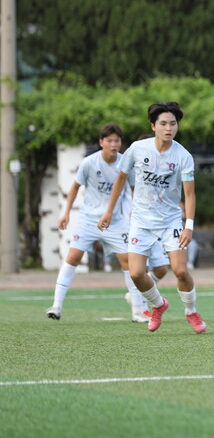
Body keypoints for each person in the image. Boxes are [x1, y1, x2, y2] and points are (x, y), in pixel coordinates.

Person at [98, 102, 206, 334]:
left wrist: (188, 226)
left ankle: (191, 312)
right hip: (141, 222)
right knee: (136, 274)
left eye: (173, 124)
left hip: (170, 222)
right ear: (153, 126)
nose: (168, 128)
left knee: (180, 271)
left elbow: (189, 194)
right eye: (163, 123)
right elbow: (121, 179)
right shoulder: (137, 149)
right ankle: (158, 305)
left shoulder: (183, 156)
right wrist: (109, 211)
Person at [46, 124, 145, 322]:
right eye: (109, 141)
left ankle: (138, 311)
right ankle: (56, 306)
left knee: (128, 262)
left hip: (115, 222)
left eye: (117, 141)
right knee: (73, 257)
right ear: (101, 142)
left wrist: (136, 211)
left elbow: (135, 188)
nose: (113, 144)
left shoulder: (126, 163)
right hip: (89, 220)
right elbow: (75, 187)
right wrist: (66, 213)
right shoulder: (89, 163)